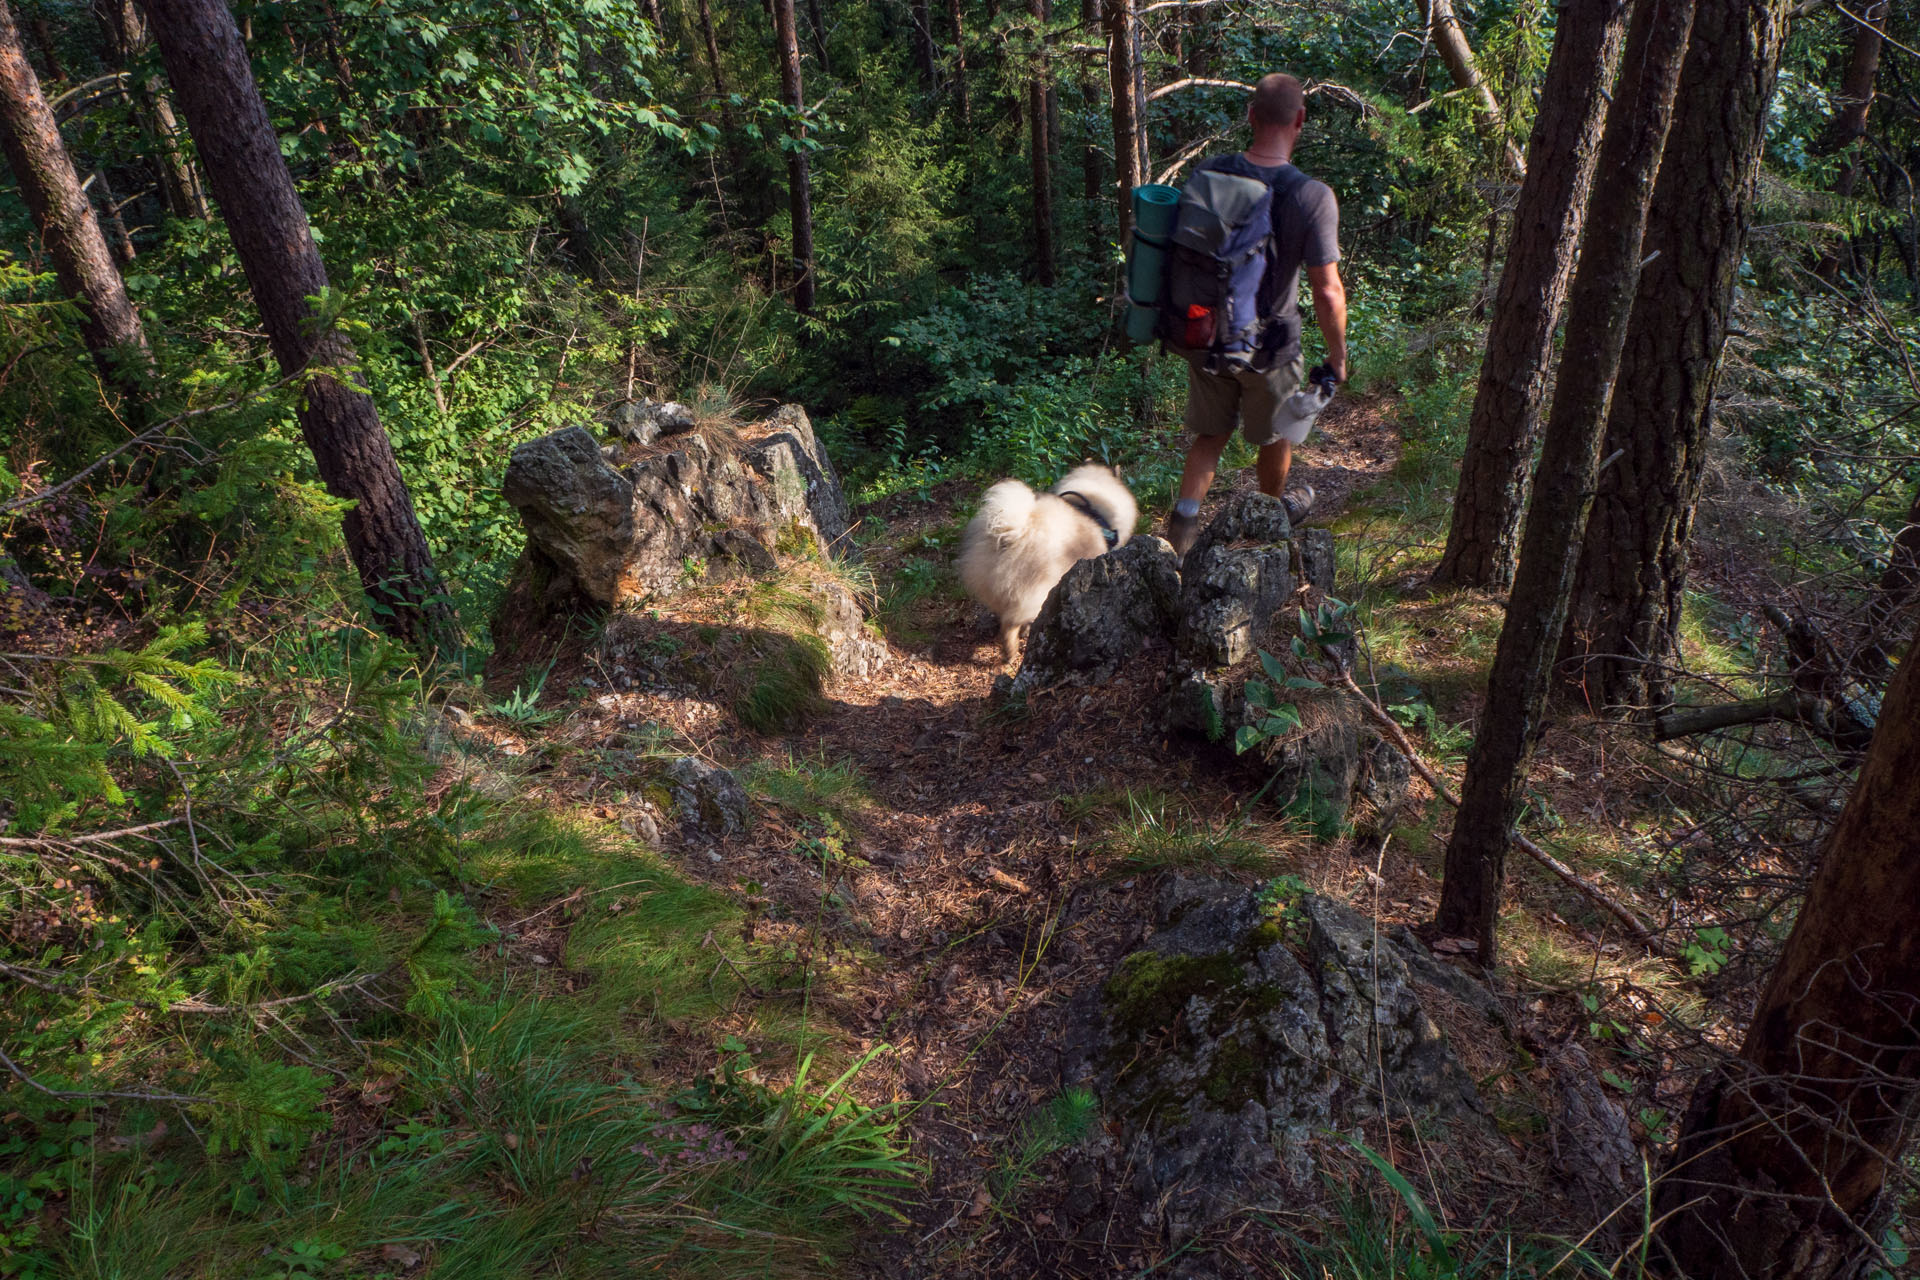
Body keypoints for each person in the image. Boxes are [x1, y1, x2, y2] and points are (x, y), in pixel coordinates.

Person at [1163, 72, 1348, 557]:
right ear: (1300, 120)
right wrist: (1338, 357)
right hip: (1271, 348)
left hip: (1205, 336)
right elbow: (1327, 291)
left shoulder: (1211, 173)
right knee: (1276, 437)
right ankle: (1268, 526)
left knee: (1210, 435)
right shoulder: (1310, 196)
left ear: (1250, 116)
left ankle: (1181, 533)